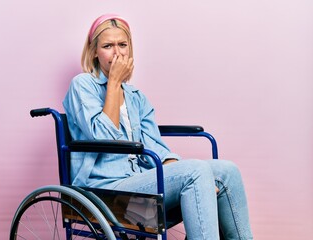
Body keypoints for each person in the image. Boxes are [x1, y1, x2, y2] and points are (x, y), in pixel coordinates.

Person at [63, 14, 253, 240]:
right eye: (108, 46)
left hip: (141, 182)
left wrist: (189, 175)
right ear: (94, 51)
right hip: (106, 193)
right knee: (195, 170)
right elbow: (104, 136)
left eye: (123, 45)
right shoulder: (82, 85)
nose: (117, 52)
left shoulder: (135, 97)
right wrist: (113, 82)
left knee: (226, 171)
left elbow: (156, 145)